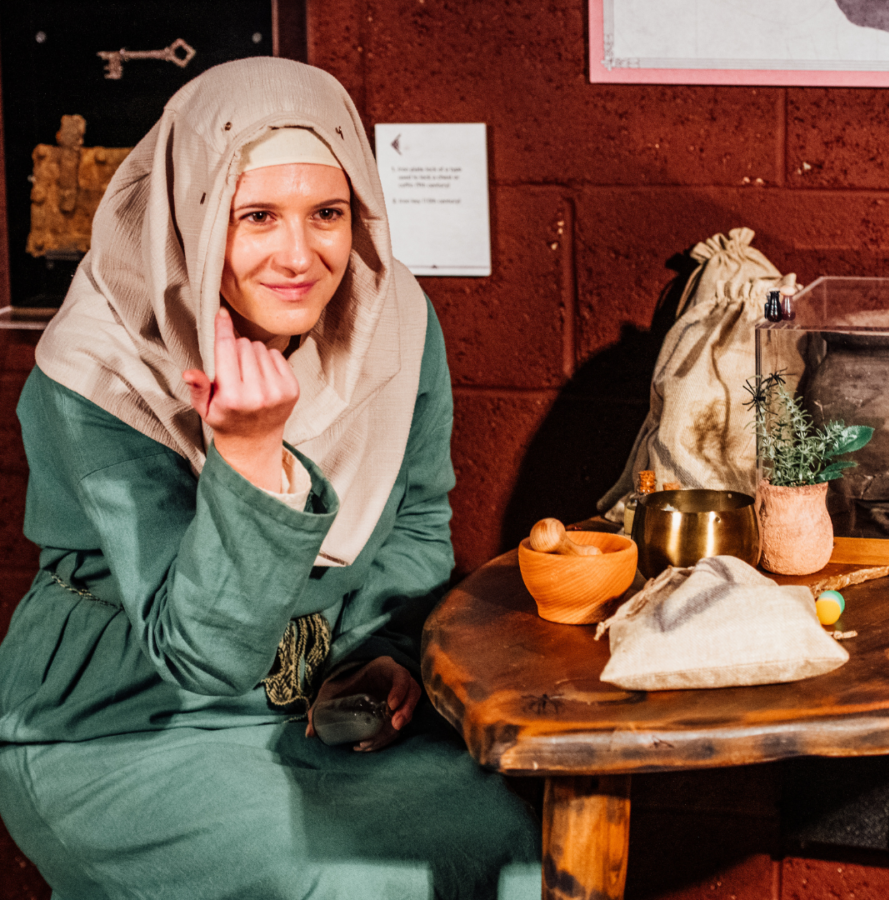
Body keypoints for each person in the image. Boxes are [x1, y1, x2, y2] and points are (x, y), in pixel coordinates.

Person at [0, 58, 540, 899]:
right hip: (117, 728)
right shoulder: (100, 367)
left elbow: (417, 515)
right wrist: (250, 461)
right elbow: (200, 654)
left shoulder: (390, 316)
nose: (301, 255)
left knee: (510, 849)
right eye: (257, 216)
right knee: (349, 885)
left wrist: (386, 654)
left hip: (312, 714)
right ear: (195, 212)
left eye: (326, 212)